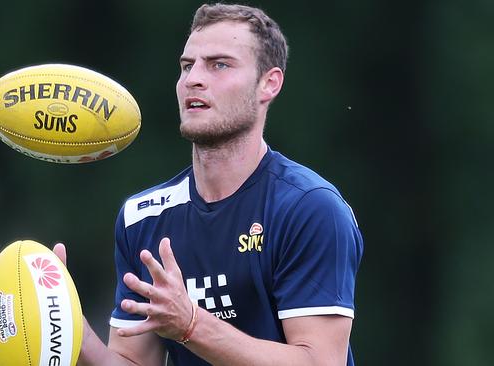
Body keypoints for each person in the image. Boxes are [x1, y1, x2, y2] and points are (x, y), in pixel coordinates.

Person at [54, 3, 363, 365]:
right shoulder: (142, 218)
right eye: (187, 66)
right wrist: (65, 326)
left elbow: (319, 362)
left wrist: (190, 324)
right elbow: (133, 361)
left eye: (219, 65)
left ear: (269, 83)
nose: (193, 79)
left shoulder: (309, 208)